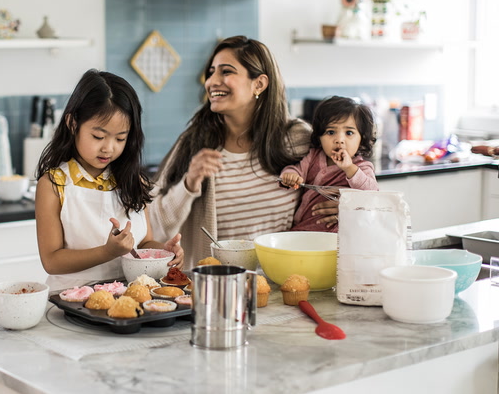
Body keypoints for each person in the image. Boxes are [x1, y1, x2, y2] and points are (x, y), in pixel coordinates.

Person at [150, 36, 338, 267]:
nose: (211, 82)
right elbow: (155, 227)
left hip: (284, 281)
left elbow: (341, 184)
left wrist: (343, 205)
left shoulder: (298, 139)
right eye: (211, 72)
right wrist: (188, 184)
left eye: (226, 72)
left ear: (259, 84)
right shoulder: (194, 143)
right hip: (218, 287)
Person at [35, 69, 184, 290]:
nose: (108, 148)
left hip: (131, 296)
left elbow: (142, 243)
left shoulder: (134, 181)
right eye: (98, 136)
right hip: (71, 300)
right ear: (72, 123)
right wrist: (108, 252)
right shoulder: (53, 185)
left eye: (120, 138)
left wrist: (163, 251)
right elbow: (52, 261)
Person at [280, 96, 379, 232]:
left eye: (349, 132)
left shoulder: (361, 167)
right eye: (330, 132)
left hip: (340, 236)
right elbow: (297, 170)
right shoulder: (313, 157)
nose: (339, 140)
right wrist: (290, 175)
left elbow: (372, 193)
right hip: (305, 229)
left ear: (362, 139)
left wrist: (349, 168)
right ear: (319, 137)